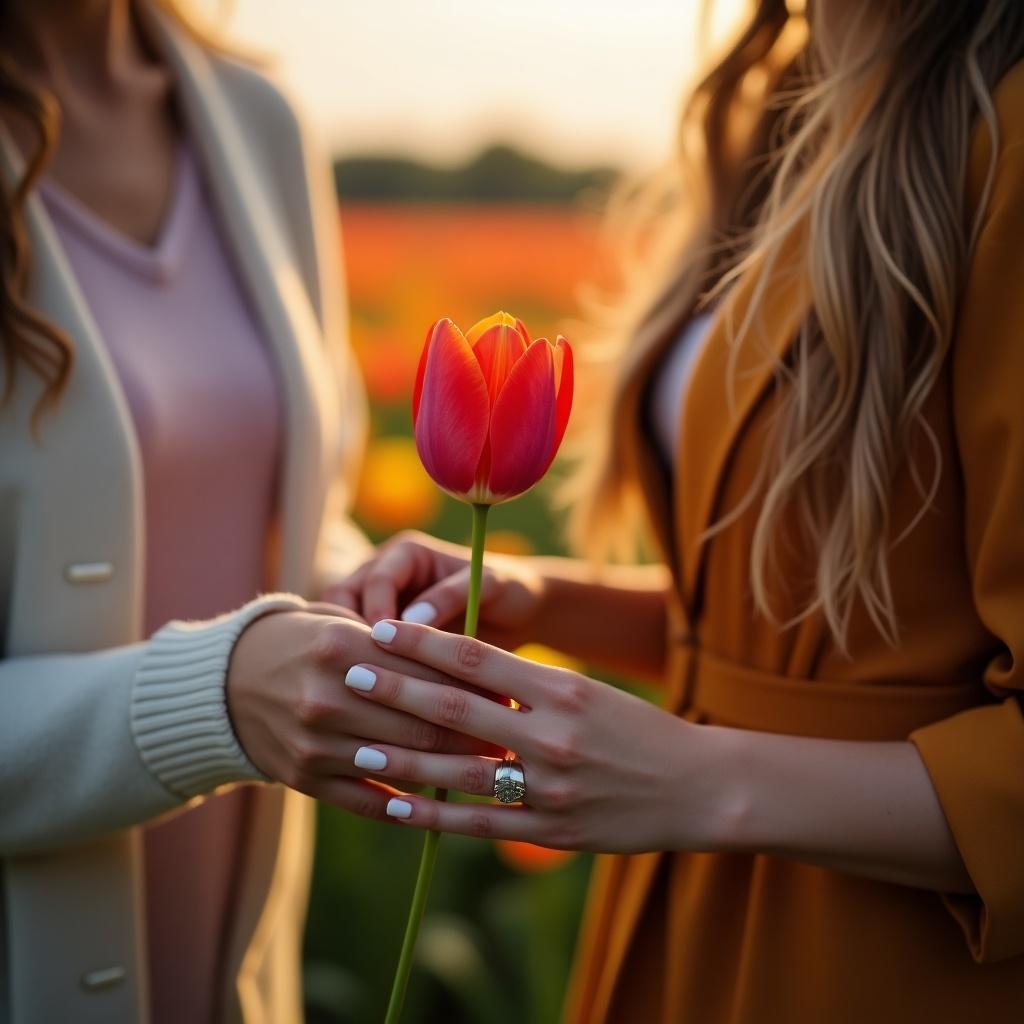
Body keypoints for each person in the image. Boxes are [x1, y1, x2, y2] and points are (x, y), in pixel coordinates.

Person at [330, 1, 1024, 1020]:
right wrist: (542, 597)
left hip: (884, 957)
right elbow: (825, 636)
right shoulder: (792, 107)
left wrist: (699, 777)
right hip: (681, 905)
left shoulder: (1003, 134)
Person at [0, 2, 495, 1022]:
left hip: (234, 960)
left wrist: (363, 595)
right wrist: (212, 696)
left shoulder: (254, 117)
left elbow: (287, 513)